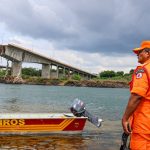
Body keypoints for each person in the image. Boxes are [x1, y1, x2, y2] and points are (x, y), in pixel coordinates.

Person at [122, 40, 150, 150]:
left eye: (140, 52)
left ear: (148, 53)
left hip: (143, 124)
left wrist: (125, 119)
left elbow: (137, 96)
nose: (137, 55)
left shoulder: (143, 71)